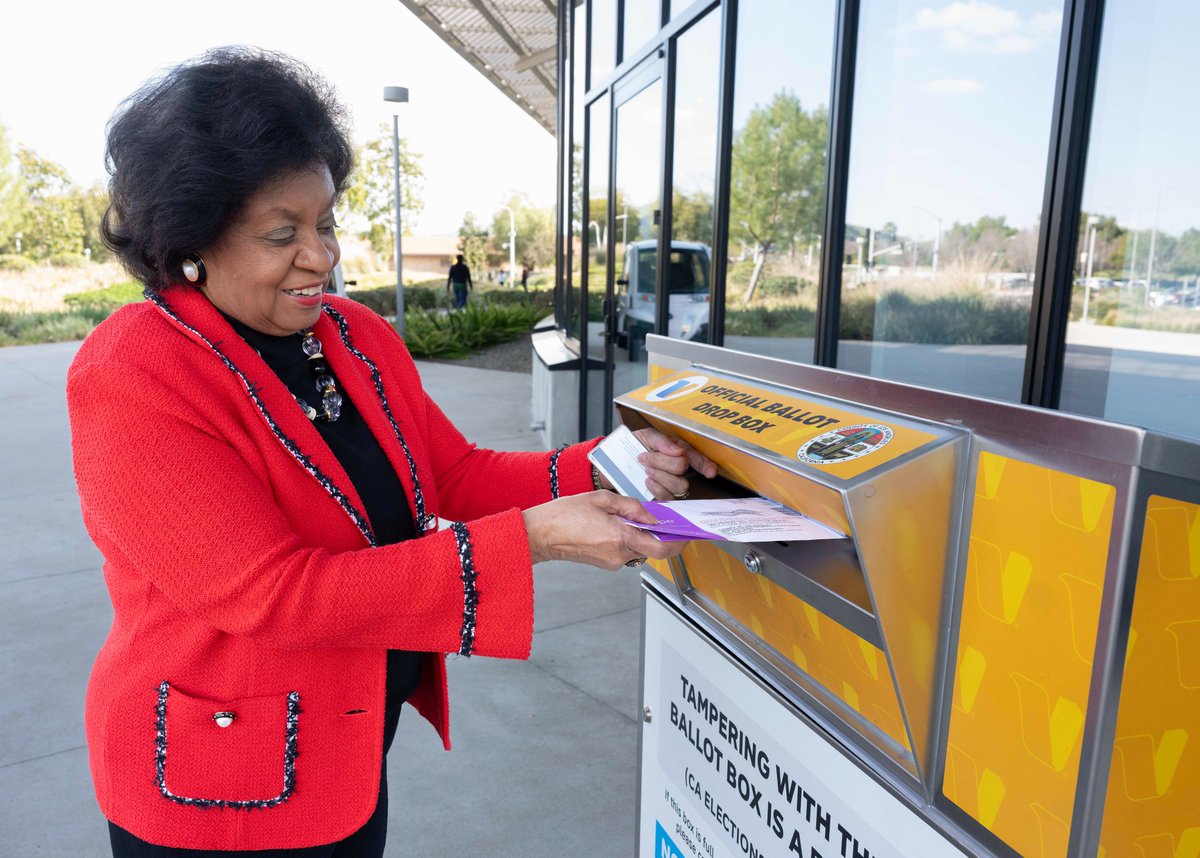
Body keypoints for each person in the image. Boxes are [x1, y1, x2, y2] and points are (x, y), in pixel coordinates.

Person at [67, 47, 716, 857]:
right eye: (282, 234)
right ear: (191, 243)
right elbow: (273, 597)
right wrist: (537, 539)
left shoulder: (353, 339)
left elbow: (453, 475)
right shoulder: (135, 372)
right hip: (217, 788)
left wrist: (621, 461)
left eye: (326, 221)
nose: (323, 255)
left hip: (343, 745)